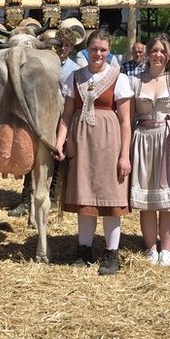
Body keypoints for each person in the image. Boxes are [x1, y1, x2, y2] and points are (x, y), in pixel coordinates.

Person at [56, 29, 132, 275]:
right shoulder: (75, 77)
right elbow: (67, 115)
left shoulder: (119, 78)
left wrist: (124, 155)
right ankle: (84, 250)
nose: (98, 54)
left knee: (110, 197)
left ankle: (111, 253)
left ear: (109, 52)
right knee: (85, 195)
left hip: (109, 142)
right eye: (94, 49)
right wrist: (60, 142)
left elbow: (125, 121)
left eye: (103, 50)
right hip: (81, 142)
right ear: (87, 50)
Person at [128, 35, 170, 266]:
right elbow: (128, 118)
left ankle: (166, 250)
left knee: (168, 201)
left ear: (169, 56)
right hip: (143, 141)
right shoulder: (134, 80)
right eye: (155, 50)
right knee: (147, 199)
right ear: (148, 53)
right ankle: (151, 248)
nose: (158, 55)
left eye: (163, 51)